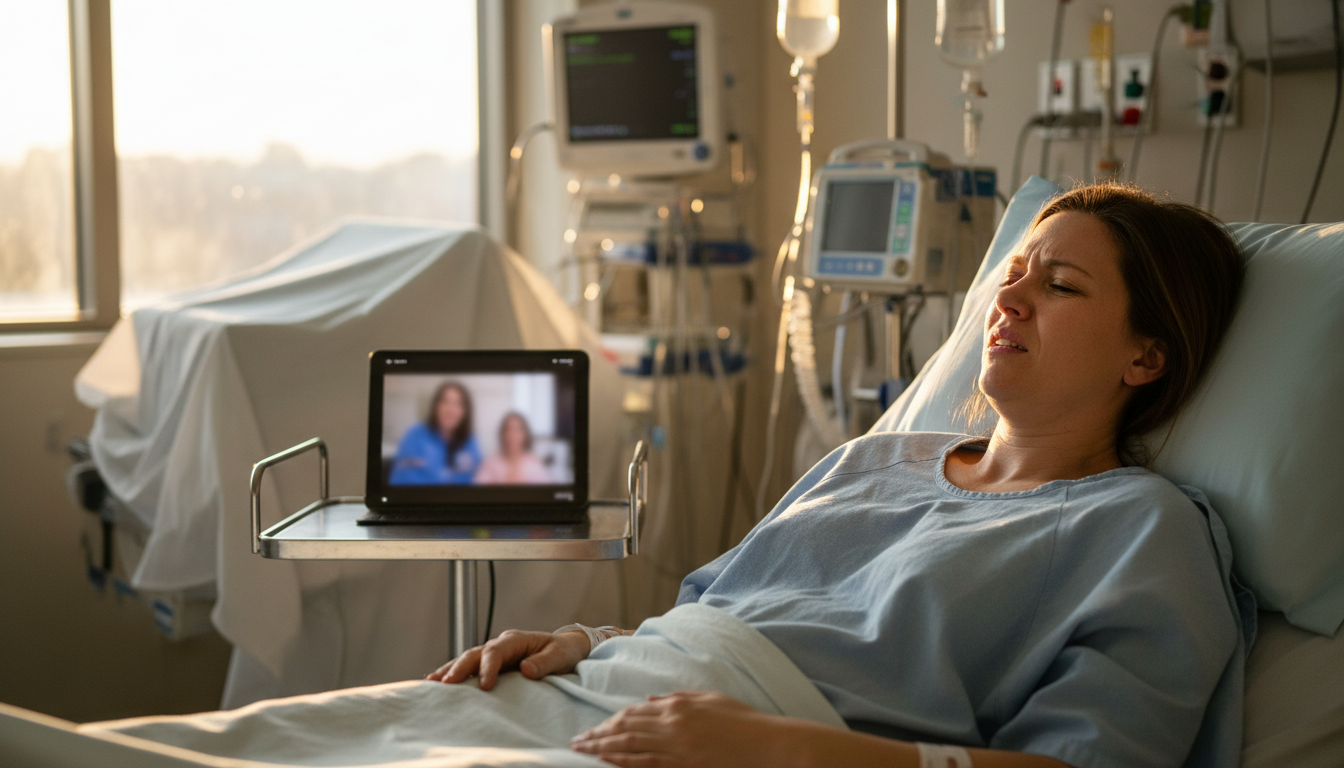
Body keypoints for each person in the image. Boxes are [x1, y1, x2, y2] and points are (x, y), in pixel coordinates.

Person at [428, 183, 1252, 768]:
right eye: (1013, 276)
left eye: (1061, 284)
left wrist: (787, 751)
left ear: (1146, 357)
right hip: (604, 695)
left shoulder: (1144, 529)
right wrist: (584, 642)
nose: (1012, 301)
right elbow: (724, 613)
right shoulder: (874, 458)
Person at [388, 381, 481, 485]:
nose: (450, 409)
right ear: (435, 406)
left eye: (458, 404)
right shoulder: (415, 435)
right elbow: (401, 480)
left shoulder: (470, 442)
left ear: (465, 412)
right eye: (445, 402)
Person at [474, 411, 555, 484]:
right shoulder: (490, 464)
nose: (512, 435)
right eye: (508, 429)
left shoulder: (534, 465)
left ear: (525, 435)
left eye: (517, 430)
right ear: (502, 434)